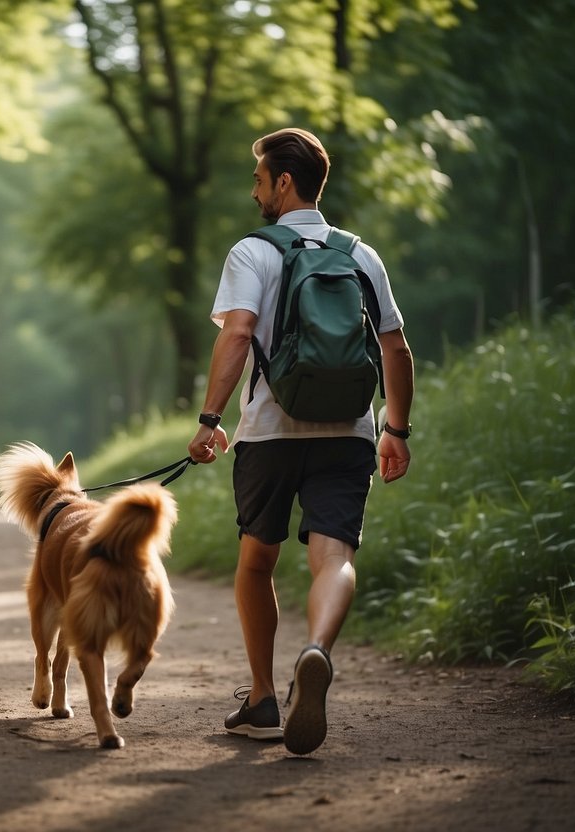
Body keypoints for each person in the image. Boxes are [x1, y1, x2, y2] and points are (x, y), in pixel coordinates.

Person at [186, 127, 415, 755]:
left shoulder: (253, 252)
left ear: (283, 182)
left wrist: (210, 418)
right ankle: (316, 650)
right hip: (349, 430)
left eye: (259, 178)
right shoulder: (361, 254)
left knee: (257, 560)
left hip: (270, 431)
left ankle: (261, 697)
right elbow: (396, 347)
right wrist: (394, 429)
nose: (255, 190)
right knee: (334, 558)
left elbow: (237, 335)